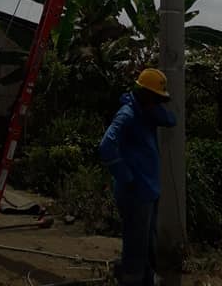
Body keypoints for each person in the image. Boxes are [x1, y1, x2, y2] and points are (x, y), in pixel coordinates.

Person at [99, 68, 175, 286]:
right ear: (144, 94)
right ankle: (133, 279)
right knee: (136, 241)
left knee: (146, 239)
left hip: (148, 189)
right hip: (135, 191)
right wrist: (126, 177)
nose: (157, 102)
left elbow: (171, 120)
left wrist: (154, 109)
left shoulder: (145, 113)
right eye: (155, 98)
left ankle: (145, 277)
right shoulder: (128, 114)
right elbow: (106, 146)